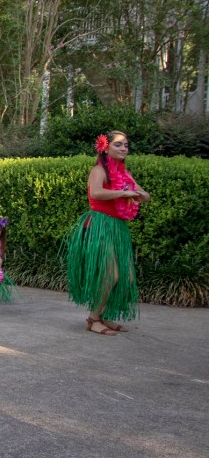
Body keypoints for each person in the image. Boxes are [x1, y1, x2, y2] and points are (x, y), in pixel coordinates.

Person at [65, 131, 149, 335]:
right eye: (118, 145)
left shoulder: (125, 174)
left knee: (127, 277)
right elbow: (96, 192)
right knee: (111, 275)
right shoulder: (99, 170)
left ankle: (103, 315)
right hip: (100, 225)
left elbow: (145, 195)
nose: (124, 148)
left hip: (118, 228)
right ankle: (93, 319)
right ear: (105, 148)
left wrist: (139, 194)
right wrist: (124, 193)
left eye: (126, 145)